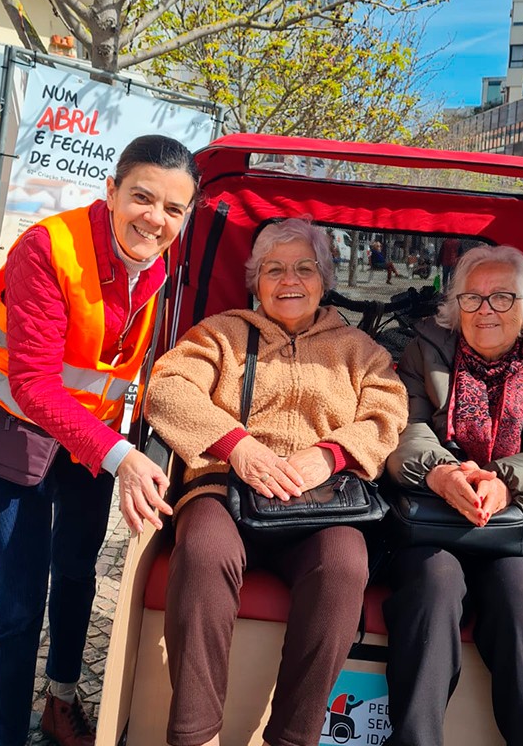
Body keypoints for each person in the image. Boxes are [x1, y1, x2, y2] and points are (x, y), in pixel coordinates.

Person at [145, 218, 408, 746]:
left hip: (322, 503)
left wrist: (330, 455)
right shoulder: (220, 334)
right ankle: (195, 735)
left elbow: (388, 413)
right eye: (274, 269)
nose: (290, 280)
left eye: (304, 268)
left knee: (344, 565)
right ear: (255, 280)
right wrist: (235, 445)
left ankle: (293, 738)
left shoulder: (359, 349)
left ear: (324, 279)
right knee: (202, 551)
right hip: (224, 488)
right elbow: (166, 388)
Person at [0, 135, 199, 746]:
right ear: (111, 191)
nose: (155, 219)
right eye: (142, 198)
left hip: (92, 447)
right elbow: (32, 382)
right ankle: (7, 734)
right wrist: (122, 455)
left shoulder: (162, 267)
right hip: (21, 434)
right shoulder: (48, 248)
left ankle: (60, 701)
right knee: (21, 597)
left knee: (78, 575)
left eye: (173, 209)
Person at [383, 244, 523, 746]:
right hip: (431, 525)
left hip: (513, 533)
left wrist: (503, 481)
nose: (485, 310)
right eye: (471, 298)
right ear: (456, 306)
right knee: (434, 587)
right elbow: (401, 427)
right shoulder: (423, 350)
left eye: (502, 297)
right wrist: (441, 473)